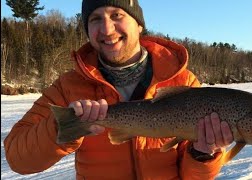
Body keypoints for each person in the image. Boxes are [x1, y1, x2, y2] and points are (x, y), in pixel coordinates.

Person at [4, 0, 234, 179]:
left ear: (139, 23)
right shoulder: (67, 87)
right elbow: (18, 159)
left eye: (117, 15)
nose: (106, 29)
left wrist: (202, 153)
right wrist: (62, 128)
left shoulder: (183, 82)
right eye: (95, 19)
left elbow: (193, 177)